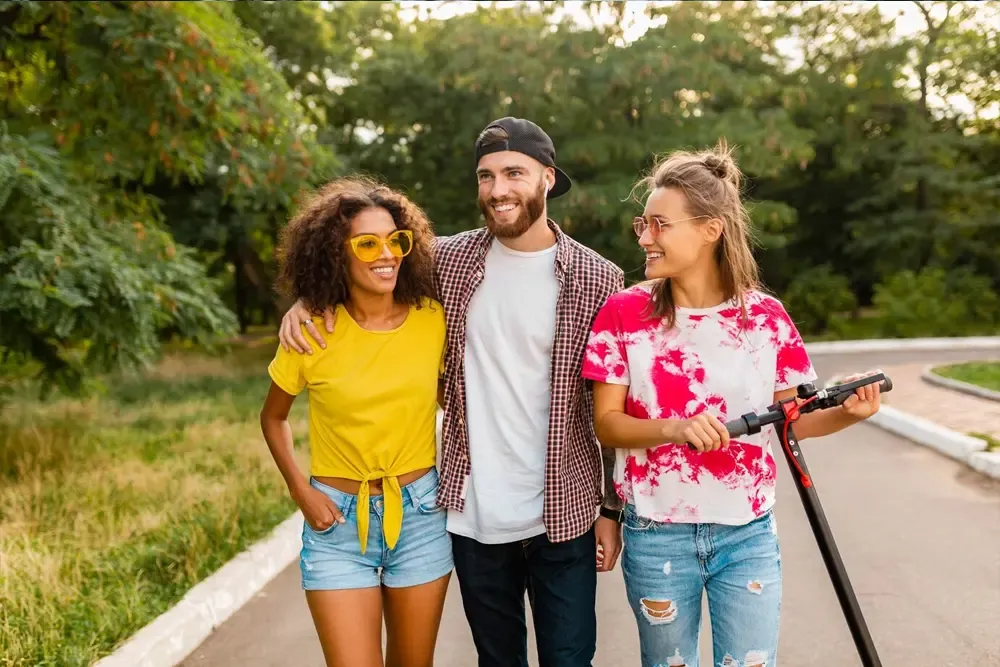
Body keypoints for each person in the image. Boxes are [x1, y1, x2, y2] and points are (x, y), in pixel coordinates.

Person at [277, 117, 626, 667]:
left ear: (548, 179)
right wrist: (305, 300)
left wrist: (612, 506)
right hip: (473, 513)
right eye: (486, 176)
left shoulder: (599, 278)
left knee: (570, 659)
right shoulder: (448, 261)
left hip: (566, 512)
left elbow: (608, 401)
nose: (498, 189)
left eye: (514, 173)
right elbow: (363, 262)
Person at [581, 140, 882, 667]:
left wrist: (847, 412)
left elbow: (789, 426)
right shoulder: (623, 314)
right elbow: (607, 425)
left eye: (660, 225)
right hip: (656, 534)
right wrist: (674, 429)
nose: (645, 238)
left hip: (747, 533)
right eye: (642, 225)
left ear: (710, 229)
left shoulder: (766, 319)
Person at [259, 176, 452, 667]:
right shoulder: (311, 331)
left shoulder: (434, 318)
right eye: (367, 243)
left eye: (396, 240)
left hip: (421, 516)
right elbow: (273, 418)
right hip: (337, 525)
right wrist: (301, 491)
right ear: (335, 253)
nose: (385, 253)